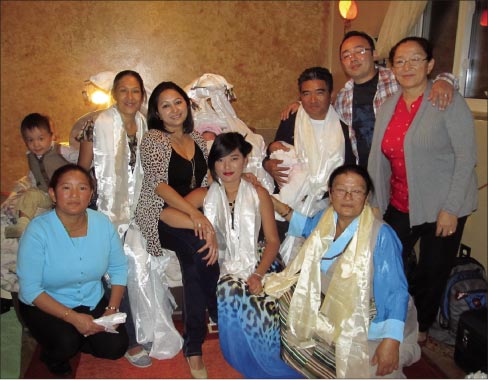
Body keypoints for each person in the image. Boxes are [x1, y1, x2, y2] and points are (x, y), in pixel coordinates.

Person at [159, 132, 302, 378]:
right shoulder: (205, 194)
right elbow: (165, 215)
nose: (227, 166)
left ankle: (272, 359)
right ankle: (246, 359)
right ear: (213, 163)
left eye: (234, 159)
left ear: (245, 161)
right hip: (224, 267)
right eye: (220, 160)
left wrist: (258, 274)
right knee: (229, 289)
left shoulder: (258, 194)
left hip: (258, 262)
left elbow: (272, 241)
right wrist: (202, 222)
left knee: (266, 305)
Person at [367, 37, 478, 344]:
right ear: (391, 68)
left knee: (432, 269)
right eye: (400, 61)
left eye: (415, 59)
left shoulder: (446, 99)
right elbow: (378, 157)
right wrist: (376, 201)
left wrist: (451, 209)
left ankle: (422, 328)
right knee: (389, 261)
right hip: (401, 201)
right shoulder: (388, 105)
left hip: (443, 204)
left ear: (430, 65)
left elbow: (466, 157)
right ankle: (396, 316)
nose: (407, 67)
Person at [265, 164, 420, 378]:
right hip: (328, 306)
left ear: (366, 197)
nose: (348, 197)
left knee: (369, 369)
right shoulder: (325, 218)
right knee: (272, 304)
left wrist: (391, 341)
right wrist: (273, 202)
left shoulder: (381, 235)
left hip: (369, 315)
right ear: (330, 193)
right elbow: (307, 227)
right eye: (340, 190)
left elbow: (395, 292)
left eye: (356, 191)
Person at [135, 81, 219, 378]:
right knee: (200, 246)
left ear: (187, 105)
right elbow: (158, 186)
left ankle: (195, 341)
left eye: (178, 102)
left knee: (196, 259)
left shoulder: (198, 138)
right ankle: (200, 337)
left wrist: (195, 215)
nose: (174, 110)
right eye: (165, 105)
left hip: (187, 209)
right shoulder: (154, 138)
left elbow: (207, 183)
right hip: (158, 211)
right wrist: (198, 219)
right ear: (157, 113)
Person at [280, 31, 457, 168]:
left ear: (374, 54)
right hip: (367, 172)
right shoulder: (343, 97)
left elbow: (424, 79)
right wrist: (300, 104)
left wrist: (445, 80)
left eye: (360, 51)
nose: (353, 58)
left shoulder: (397, 79)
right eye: (346, 55)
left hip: (408, 167)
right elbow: (321, 106)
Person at [16, 164, 129, 375]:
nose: (75, 195)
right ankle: (53, 354)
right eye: (66, 188)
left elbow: (119, 268)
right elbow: (30, 289)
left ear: (91, 194)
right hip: (46, 303)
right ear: (52, 193)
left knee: (116, 348)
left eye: (82, 188)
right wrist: (73, 319)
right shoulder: (37, 231)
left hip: (90, 299)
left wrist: (111, 310)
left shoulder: (102, 224)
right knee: (65, 343)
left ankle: (77, 337)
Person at [76, 70, 152, 367]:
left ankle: (144, 327)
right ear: (114, 94)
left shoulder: (145, 125)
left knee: (141, 256)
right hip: (101, 205)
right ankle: (129, 335)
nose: (130, 97)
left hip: (136, 206)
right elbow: (81, 173)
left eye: (135, 91)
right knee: (115, 262)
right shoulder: (95, 124)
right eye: (123, 90)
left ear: (142, 96)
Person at [5, 113, 70, 238]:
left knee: (67, 211)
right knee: (28, 195)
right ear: (25, 142)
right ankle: (22, 226)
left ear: (51, 137)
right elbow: (34, 173)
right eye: (30, 140)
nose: (36, 144)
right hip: (46, 194)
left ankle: (62, 231)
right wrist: (32, 186)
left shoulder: (61, 150)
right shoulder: (30, 156)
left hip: (64, 192)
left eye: (41, 139)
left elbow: (78, 157)